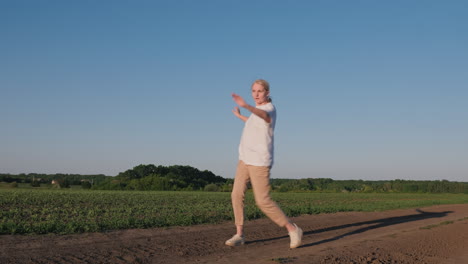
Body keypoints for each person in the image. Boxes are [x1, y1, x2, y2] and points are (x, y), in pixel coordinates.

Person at [225, 79, 303, 249]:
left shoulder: (269, 109)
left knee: (263, 201)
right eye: (254, 91)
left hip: (259, 162)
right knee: (236, 194)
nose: (256, 94)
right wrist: (240, 116)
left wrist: (245, 105)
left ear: (267, 92)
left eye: (260, 91)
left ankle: (292, 229)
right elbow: (253, 122)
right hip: (244, 159)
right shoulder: (255, 112)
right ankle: (240, 234)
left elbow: (264, 117)